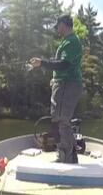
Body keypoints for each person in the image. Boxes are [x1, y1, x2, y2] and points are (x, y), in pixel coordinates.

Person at [29, 14, 84, 163]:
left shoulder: (72, 41)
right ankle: (70, 156)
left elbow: (64, 64)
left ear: (64, 24)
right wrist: (55, 78)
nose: (56, 30)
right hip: (64, 83)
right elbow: (61, 63)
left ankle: (66, 158)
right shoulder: (67, 42)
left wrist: (42, 63)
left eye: (57, 26)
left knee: (60, 120)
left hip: (67, 84)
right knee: (61, 120)